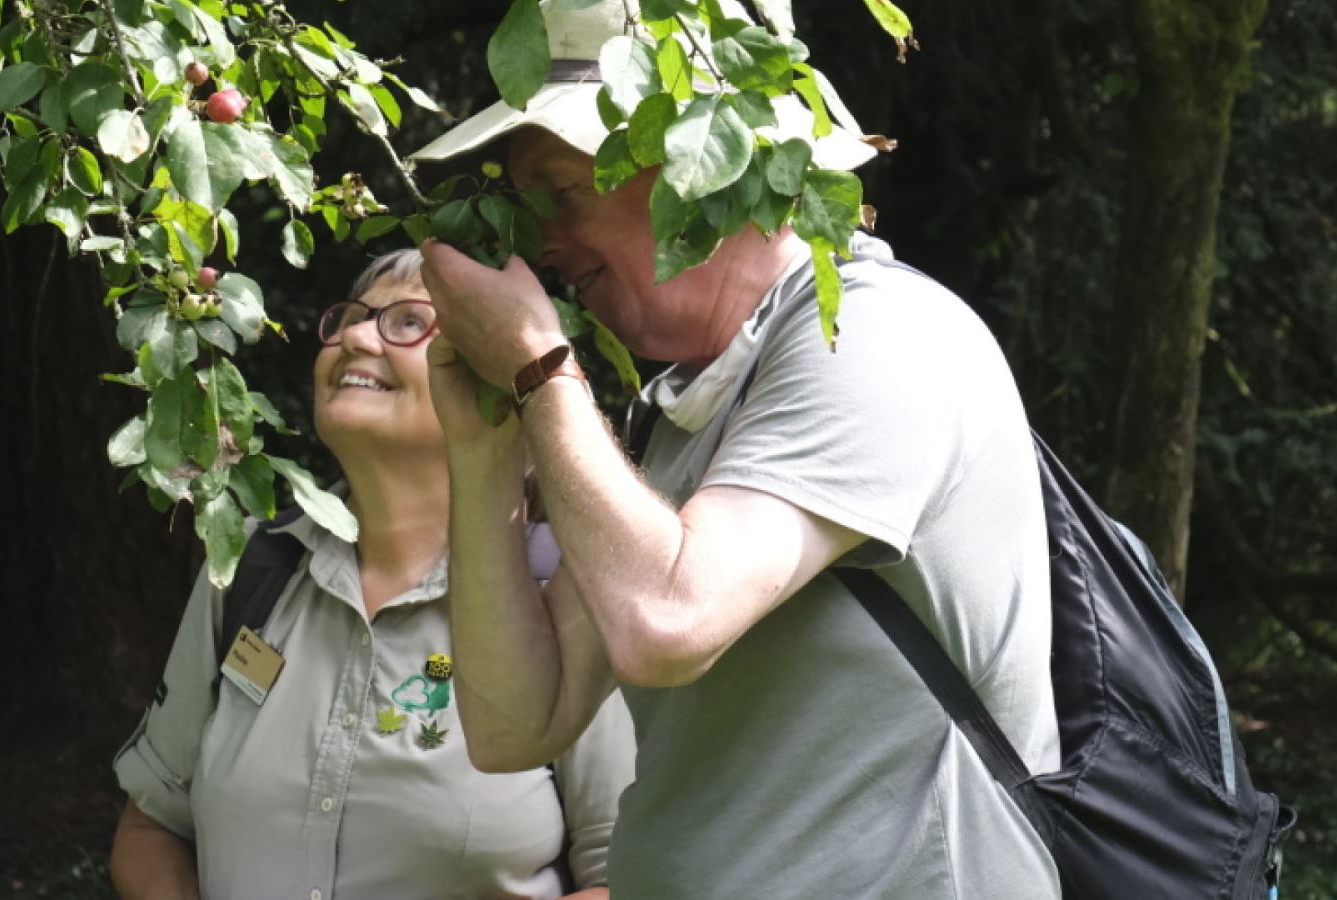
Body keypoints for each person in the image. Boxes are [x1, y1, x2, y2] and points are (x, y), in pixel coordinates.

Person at [411, 1, 1063, 898]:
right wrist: (486, 449)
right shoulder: (691, 407)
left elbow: (669, 622)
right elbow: (517, 724)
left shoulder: (879, 334)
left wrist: (539, 371)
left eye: (561, 193)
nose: (544, 249)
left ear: (705, 163)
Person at [109, 249, 635, 900]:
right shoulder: (250, 571)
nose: (355, 337)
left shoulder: (568, 595)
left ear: (495, 385)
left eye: (410, 322)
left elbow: (634, 877)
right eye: (350, 320)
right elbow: (152, 825)